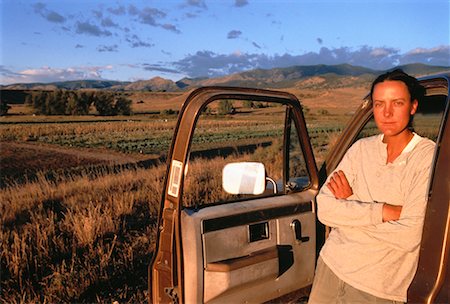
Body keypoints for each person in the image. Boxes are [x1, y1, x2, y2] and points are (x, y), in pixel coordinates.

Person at [308, 69, 436, 303]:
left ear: (413, 106)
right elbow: (325, 208)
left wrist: (349, 208)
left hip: (378, 288)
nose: (386, 113)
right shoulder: (360, 149)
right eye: (379, 104)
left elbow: (410, 236)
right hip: (331, 267)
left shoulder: (427, 158)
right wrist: (385, 211)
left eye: (397, 103)